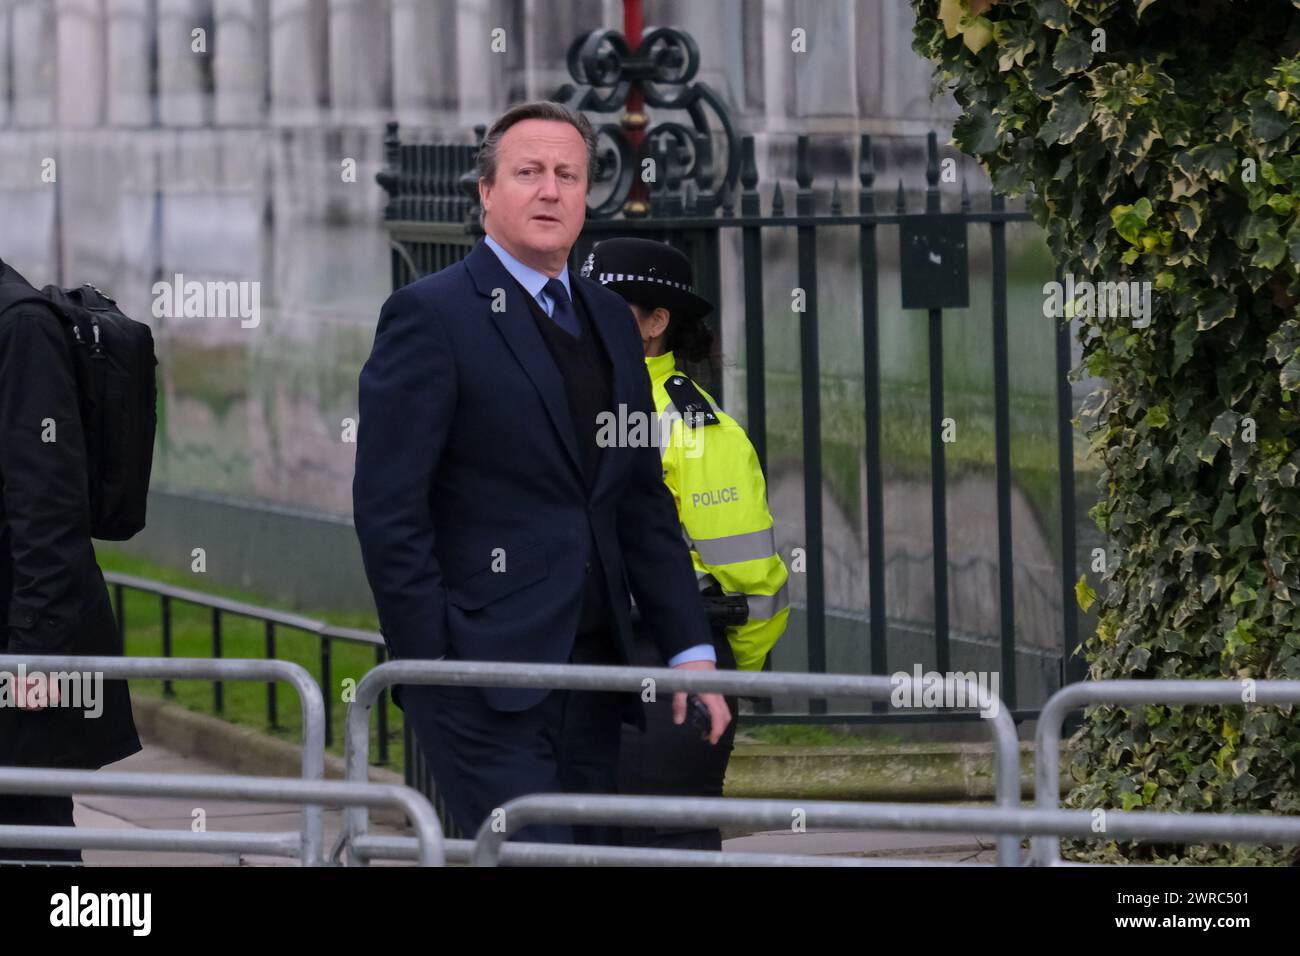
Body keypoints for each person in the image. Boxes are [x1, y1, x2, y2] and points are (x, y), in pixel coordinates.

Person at [352, 102, 731, 845]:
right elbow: (389, 511)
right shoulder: (429, 316)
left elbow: (639, 499)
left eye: (568, 175)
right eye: (528, 173)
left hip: (597, 676)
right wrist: (434, 665)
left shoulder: (611, 320)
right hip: (480, 678)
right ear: (486, 194)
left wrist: (691, 649)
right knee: (539, 856)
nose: (550, 190)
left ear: (586, 195)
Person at [582, 237, 790, 851]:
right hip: (583, 665)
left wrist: (717, 675)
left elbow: (753, 587)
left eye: (607, 305)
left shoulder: (696, 430)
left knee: (662, 845)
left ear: (655, 323)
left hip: (666, 664)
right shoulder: (569, 400)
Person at [0, 258, 142, 864]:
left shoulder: (18, 324)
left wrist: (35, 656)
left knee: (29, 835)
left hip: (17, 650)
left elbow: (48, 511)